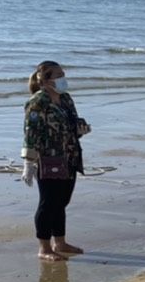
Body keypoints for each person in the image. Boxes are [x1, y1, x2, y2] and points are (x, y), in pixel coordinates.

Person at [20, 60, 91, 262]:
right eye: (58, 76)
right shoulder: (37, 102)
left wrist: (81, 129)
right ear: (45, 81)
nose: (63, 79)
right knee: (49, 203)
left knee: (62, 202)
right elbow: (30, 133)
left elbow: (72, 123)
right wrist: (28, 163)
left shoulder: (65, 98)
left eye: (63, 74)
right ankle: (44, 248)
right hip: (48, 159)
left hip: (70, 156)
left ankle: (60, 242)